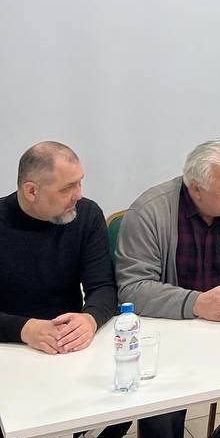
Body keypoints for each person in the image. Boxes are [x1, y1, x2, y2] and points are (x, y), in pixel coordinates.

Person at [115, 140, 220, 438]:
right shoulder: (149, 212)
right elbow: (133, 288)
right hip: (173, 333)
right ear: (196, 189)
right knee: (161, 408)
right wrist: (196, 303)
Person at [0, 142, 129, 438]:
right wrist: (24, 329)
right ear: (31, 191)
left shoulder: (86, 215)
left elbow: (103, 287)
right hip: (9, 346)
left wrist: (89, 319)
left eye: (80, 182)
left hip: (69, 346)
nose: (78, 194)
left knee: (126, 403)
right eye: (67, 188)